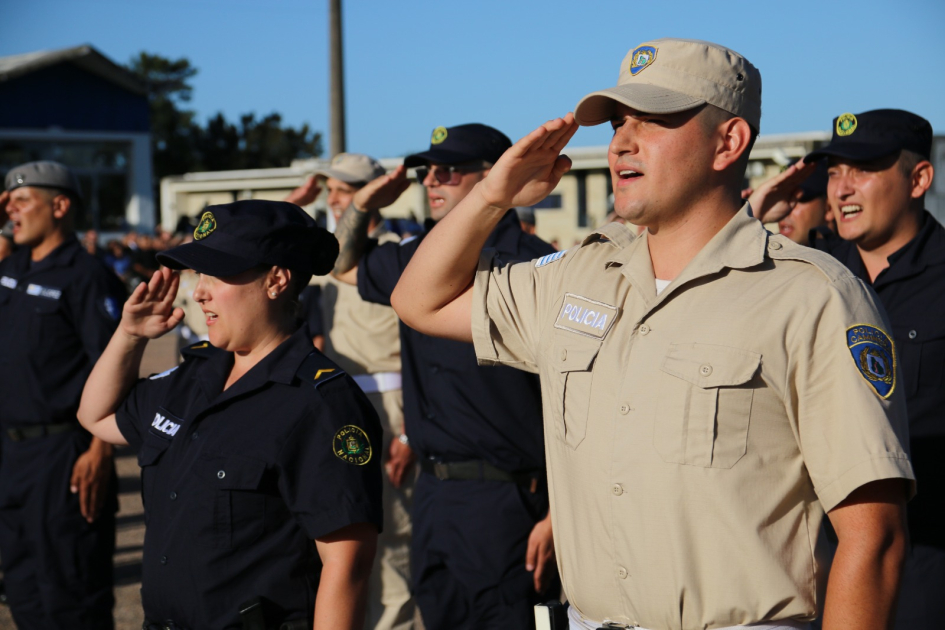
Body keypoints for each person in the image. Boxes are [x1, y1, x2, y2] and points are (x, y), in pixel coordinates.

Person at [391, 38, 915, 630]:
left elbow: (873, 540)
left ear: (729, 142)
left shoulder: (811, 296)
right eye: (618, 122)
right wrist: (493, 195)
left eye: (655, 120)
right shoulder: (579, 276)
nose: (621, 142)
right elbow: (419, 301)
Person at [76, 200, 383, 630]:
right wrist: (129, 336)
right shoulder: (193, 376)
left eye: (217, 274)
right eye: (199, 274)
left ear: (276, 280)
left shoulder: (320, 402)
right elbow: (97, 416)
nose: (199, 291)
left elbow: (347, 561)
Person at [332, 124, 559, 629]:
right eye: (427, 171)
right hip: (432, 493)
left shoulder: (539, 265)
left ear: (496, 176)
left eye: (449, 171)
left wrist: (558, 514)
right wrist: (366, 202)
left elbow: (580, 401)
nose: (432, 180)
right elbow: (340, 263)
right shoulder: (416, 256)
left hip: (509, 498)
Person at [798, 108, 943, 630]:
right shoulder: (811, 276)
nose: (842, 188)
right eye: (834, 171)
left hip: (925, 562)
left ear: (919, 179)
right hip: (817, 559)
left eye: (863, 169)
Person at [286, 152, 417, 630]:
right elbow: (256, 252)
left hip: (391, 407)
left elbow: (419, 351)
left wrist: (410, 432)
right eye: (332, 192)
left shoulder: (391, 255)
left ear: (372, 193)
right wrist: (293, 203)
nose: (335, 200)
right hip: (339, 409)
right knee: (342, 541)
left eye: (344, 190)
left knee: (393, 544)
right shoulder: (325, 259)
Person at [0, 161, 125, 629]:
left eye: (22, 200)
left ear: (60, 206)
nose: (11, 209)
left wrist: (100, 450)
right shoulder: (10, 267)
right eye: (6, 202)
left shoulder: (86, 276)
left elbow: (116, 365)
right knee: (24, 590)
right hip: (11, 454)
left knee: (71, 596)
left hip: (63, 454)